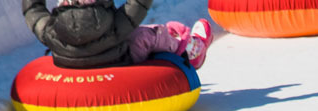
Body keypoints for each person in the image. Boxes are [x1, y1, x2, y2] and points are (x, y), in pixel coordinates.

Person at [22, 0, 214, 70]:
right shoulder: (112, 24)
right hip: (118, 62)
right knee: (148, 34)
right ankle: (188, 49)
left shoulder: (53, 30)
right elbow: (139, 4)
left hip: (70, 64)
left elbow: (33, 10)